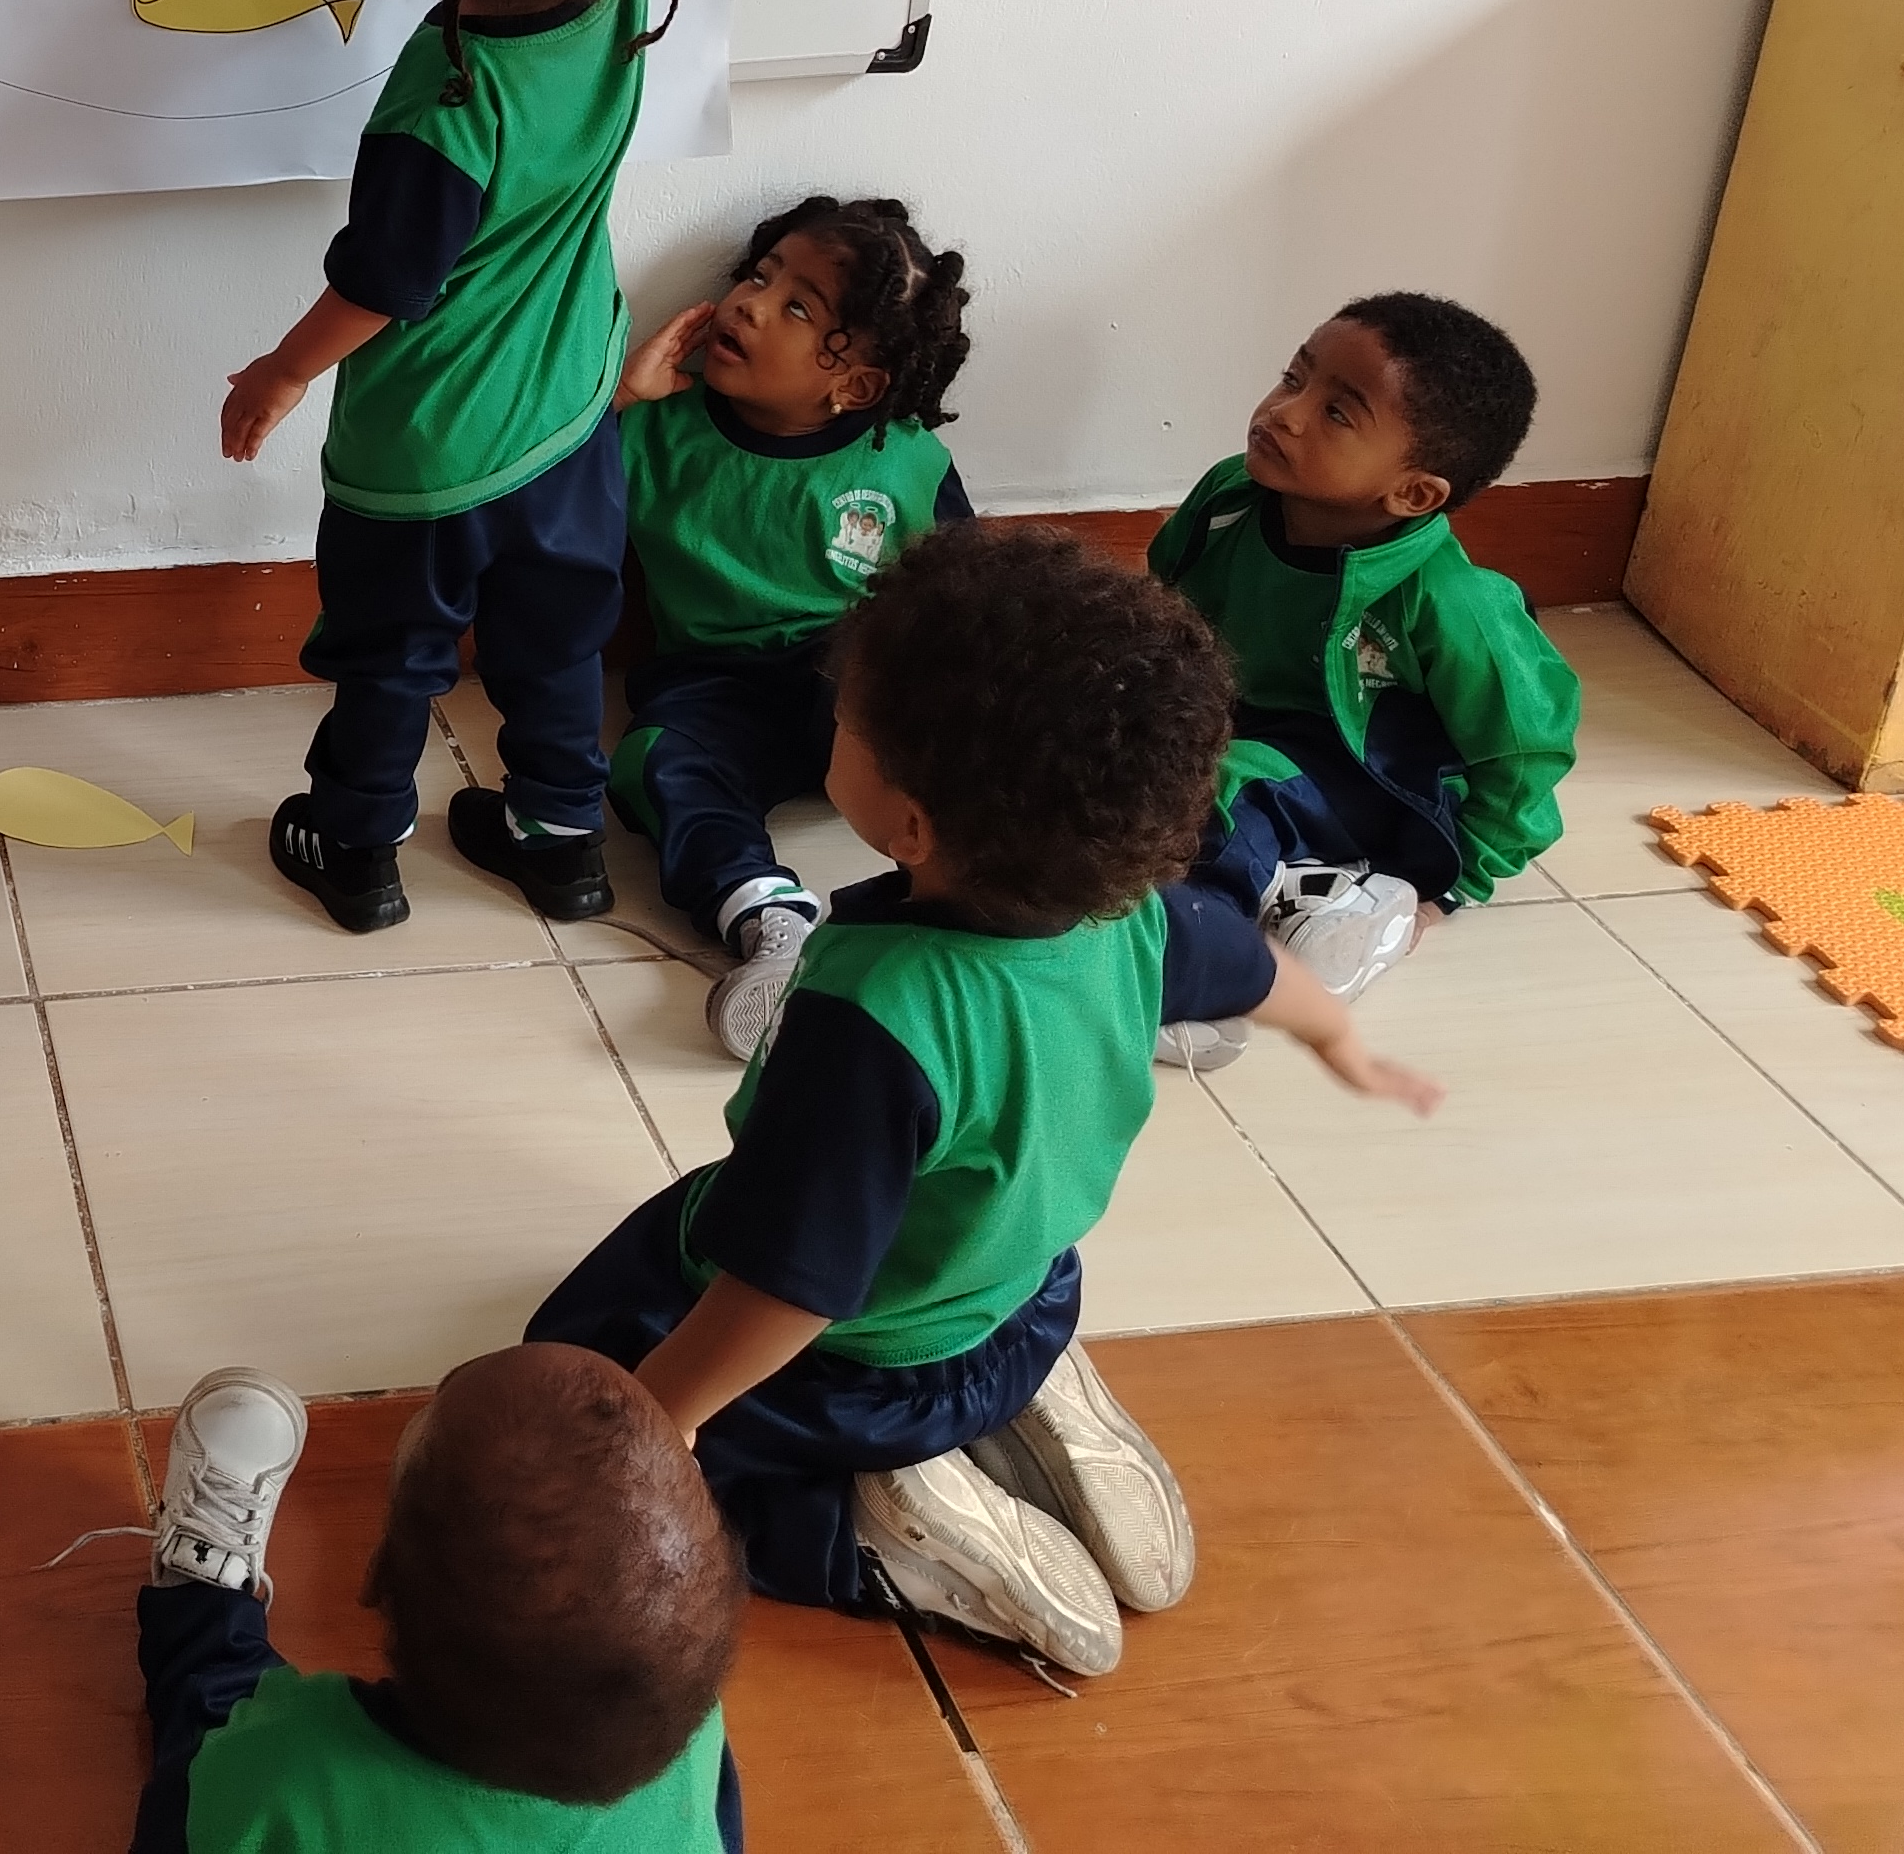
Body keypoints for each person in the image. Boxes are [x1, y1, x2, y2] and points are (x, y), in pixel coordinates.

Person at [526, 527, 1441, 1676]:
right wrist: (1340, 1040)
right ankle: (1030, 1400)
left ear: (910, 823)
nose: (830, 720)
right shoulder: (1136, 917)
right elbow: (1261, 972)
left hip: (863, 1370)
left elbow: (793, 1286)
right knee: (906, 1252)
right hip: (1025, 1300)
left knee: (584, 1376)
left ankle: (873, 1529)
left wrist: (663, 1416)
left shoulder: (874, 1020)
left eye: (845, 719)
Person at [219, 0, 702, 936]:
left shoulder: (446, 99)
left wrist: (281, 371)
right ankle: (559, 846)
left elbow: (386, 279)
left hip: (426, 457)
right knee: (556, 651)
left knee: (395, 658)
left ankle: (358, 847)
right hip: (567, 423)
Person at [1151, 293, 1582, 1060]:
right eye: (1294, 378)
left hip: (1372, 775)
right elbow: (1164, 610)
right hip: (1234, 716)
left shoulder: (1453, 603)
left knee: (1232, 789)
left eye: (1336, 414)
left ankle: (1201, 980)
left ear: (1412, 493)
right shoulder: (1229, 497)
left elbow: (1528, 748)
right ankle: (1315, 892)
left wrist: (1454, 886)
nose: (1284, 413)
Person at [600, 197, 975, 1056]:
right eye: (759, 277)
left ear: (856, 386)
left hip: (858, 675)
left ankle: (998, 918)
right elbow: (544, 517)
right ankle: (770, 921)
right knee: (653, 760)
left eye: (798, 308)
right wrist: (618, 397)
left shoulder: (905, 459)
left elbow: (963, 596)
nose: (751, 304)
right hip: (714, 684)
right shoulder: (653, 427)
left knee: (965, 741)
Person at [130, 1350, 743, 1853]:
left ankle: (202, 1587)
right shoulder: (686, 1728)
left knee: (208, 1704)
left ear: (376, 1577)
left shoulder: (288, 1775)